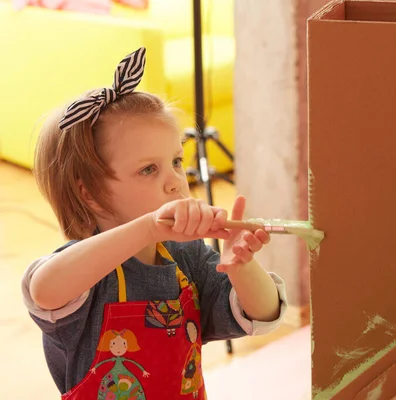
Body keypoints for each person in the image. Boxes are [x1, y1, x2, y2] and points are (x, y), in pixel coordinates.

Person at [21, 47, 287, 399]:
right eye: (149, 169)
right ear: (89, 194)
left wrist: (241, 265)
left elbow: (264, 314)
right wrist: (148, 226)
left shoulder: (187, 257)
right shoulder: (84, 272)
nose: (176, 181)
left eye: (176, 161)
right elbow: (44, 289)